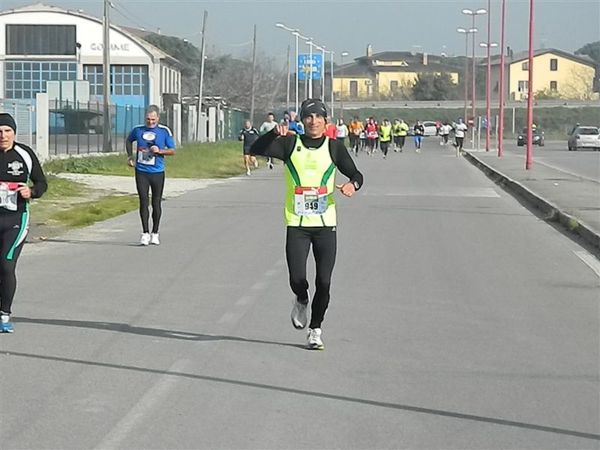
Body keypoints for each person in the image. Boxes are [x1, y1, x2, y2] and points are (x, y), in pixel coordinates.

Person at [250, 99, 364, 350]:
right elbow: (255, 148)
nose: (313, 121)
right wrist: (272, 134)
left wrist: (351, 185)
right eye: (308, 117)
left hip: (325, 224)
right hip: (297, 223)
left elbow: (357, 176)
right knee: (297, 277)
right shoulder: (291, 144)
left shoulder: (334, 147)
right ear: (302, 120)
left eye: (318, 117)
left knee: (324, 281)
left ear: (326, 121)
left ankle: (315, 329)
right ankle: (301, 298)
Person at [0, 113, 47, 333]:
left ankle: (4, 314)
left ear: (14, 133)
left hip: (16, 219)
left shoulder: (24, 154)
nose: (3, 135)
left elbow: (41, 182)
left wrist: (32, 191)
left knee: (6, 265)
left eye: (7, 131)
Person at [126, 105, 176, 246]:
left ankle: (155, 232)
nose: (150, 122)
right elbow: (129, 140)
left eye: (153, 119)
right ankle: (145, 233)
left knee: (156, 202)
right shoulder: (138, 130)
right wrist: (130, 156)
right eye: (148, 119)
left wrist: (159, 151)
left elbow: (172, 150)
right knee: (143, 201)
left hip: (157, 172)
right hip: (141, 171)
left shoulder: (164, 131)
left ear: (158, 118)